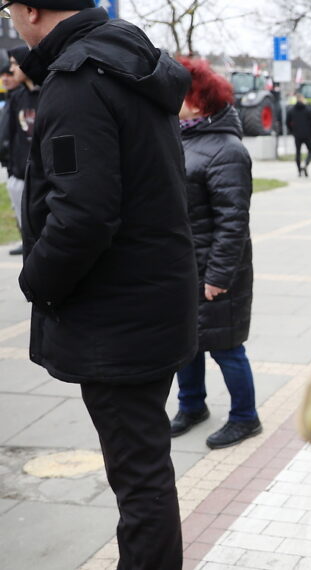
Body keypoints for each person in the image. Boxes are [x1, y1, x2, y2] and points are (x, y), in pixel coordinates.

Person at [12, 2, 196, 567]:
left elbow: (82, 215)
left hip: (118, 319)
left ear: (31, 10)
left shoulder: (77, 80)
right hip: (152, 302)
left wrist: (35, 279)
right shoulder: (129, 59)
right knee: (146, 471)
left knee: (139, 482)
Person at [171, 57, 262, 450]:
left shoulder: (227, 149)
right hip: (182, 267)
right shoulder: (181, 137)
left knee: (226, 348)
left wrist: (218, 277)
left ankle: (245, 417)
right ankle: (192, 406)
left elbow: (233, 221)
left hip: (214, 269)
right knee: (184, 344)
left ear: (198, 100)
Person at [2, 46, 36, 256]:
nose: (12, 70)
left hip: (41, 174)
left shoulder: (49, 91)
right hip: (19, 172)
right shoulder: (17, 97)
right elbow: (7, 133)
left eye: (15, 64)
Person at [286, 93, 311, 177]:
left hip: (297, 135)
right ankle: (306, 164)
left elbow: (287, 122)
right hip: (308, 135)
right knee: (310, 151)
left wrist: (292, 131)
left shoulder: (291, 110)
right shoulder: (308, 110)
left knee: (298, 153)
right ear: (302, 99)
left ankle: (299, 170)